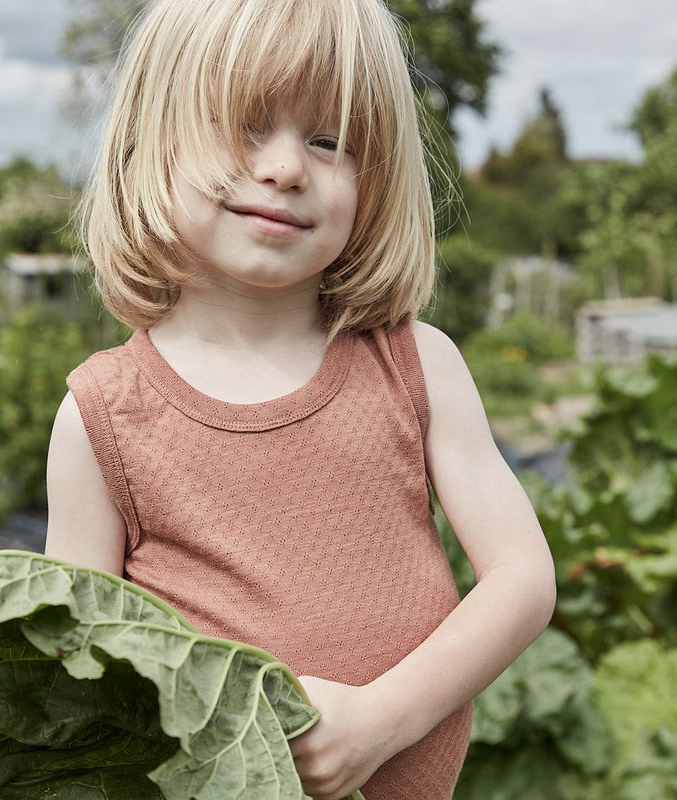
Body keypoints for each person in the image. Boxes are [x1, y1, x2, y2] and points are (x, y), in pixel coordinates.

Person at [45, 0, 556, 797]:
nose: (287, 168)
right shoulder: (102, 416)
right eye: (247, 125)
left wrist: (383, 719)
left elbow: (523, 577)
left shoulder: (415, 364)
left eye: (330, 141)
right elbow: (70, 676)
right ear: (150, 138)